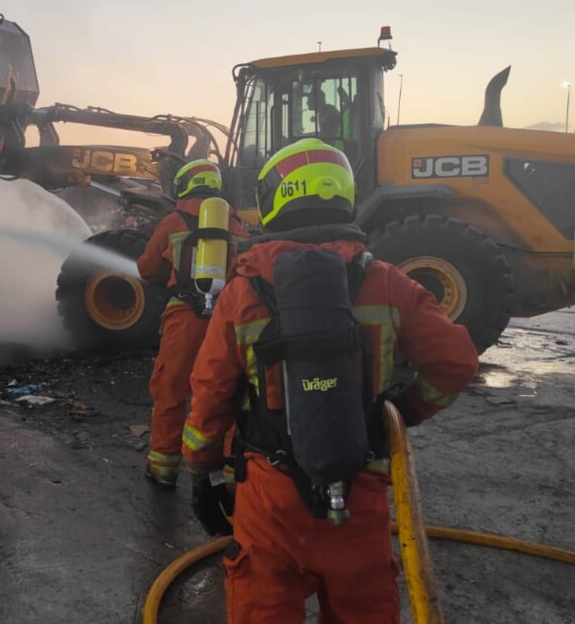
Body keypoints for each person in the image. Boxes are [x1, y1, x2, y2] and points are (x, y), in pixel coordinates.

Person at [181, 138, 479, 623]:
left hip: (270, 498)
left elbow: (211, 392)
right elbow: (457, 362)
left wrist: (201, 470)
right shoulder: (387, 283)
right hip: (358, 489)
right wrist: (406, 411)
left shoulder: (243, 291)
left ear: (277, 197)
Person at [137, 159, 249, 489]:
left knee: (170, 389)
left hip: (185, 317)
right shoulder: (237, 224)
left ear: (185, 183)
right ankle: (228, 472)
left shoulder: (173, 221)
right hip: (229, 320)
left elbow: (148, 269)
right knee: (229, 391)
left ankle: (163, 466)